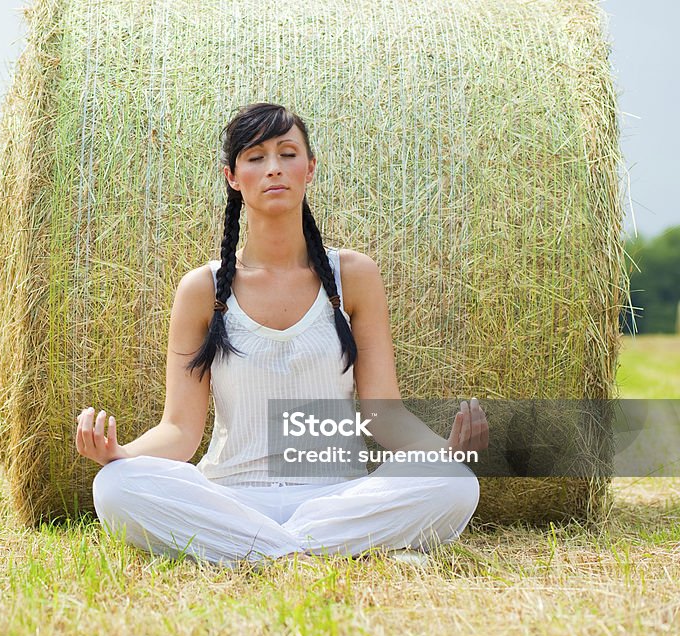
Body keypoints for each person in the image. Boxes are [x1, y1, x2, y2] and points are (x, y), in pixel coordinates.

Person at [75, 102, 488, 568]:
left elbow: (384, 416)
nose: (274, 168)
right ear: (232, 176)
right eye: (255, 157)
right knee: (114, 486)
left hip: (337, 497)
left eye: (287, 154)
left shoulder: (354, 276)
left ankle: (264, 551)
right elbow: (181, 430)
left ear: (309, 169)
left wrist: (445, 450)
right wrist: (121, 453)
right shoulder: (203, 289)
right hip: (231, 500)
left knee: (456, 482)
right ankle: (319, 550)